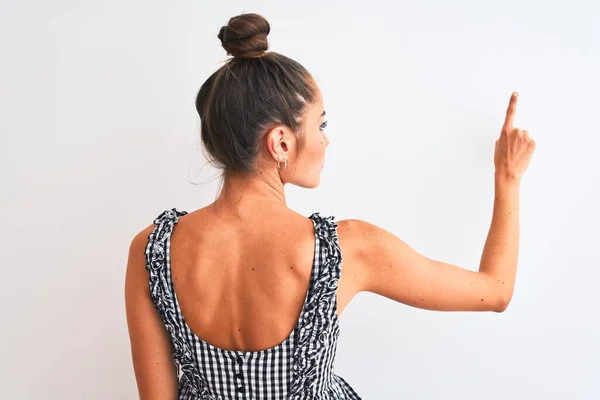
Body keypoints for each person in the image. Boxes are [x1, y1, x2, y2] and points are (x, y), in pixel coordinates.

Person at [124, 12, 536, 400]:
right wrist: (508, 177)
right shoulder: (345, 250)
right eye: (320, 124)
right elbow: (495, 291)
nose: (326, 140)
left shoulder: (152, 252)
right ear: (281, 142)